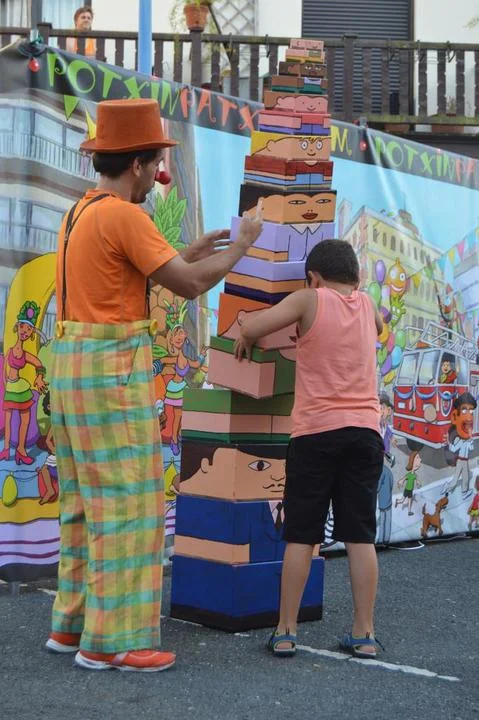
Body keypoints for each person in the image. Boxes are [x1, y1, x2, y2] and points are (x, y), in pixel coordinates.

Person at [45, 98, 263, 673]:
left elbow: (140, 273)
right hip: (111, 368)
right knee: (130, 504)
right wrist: (242, 246)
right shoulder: (125, 215)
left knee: (84, 502)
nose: (158, 175)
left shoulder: (81, 211)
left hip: (71, 366)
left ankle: (72, 624)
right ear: (139, 164)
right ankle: (111, 642)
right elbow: (188, 286)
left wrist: (188, 253)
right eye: (155, 163)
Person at [234, 239, 384, 659]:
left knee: (301, 534)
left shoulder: (308, 298)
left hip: (316, 433)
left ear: (314, 277)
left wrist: (246, 334)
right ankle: (364, 633)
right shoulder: (368, 304)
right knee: (360, 536)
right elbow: (378, 328)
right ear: (356, 277)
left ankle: (286, 631)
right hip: (365, 433)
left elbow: (256, 326)